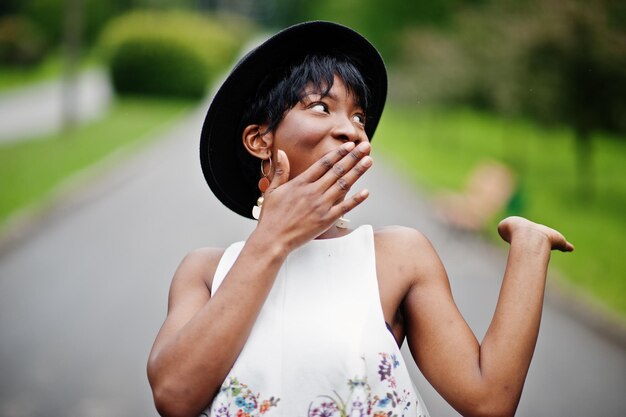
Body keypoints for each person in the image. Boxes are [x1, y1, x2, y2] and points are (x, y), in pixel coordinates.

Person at [147, 21, 574, 417]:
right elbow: (174, 395)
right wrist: (272, 239)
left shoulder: (398, 257)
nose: (351, 130)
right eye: (319, 106)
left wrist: (529, 246)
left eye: (358, 117)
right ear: (260, 140)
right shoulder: (205, 272)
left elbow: (489, 400)